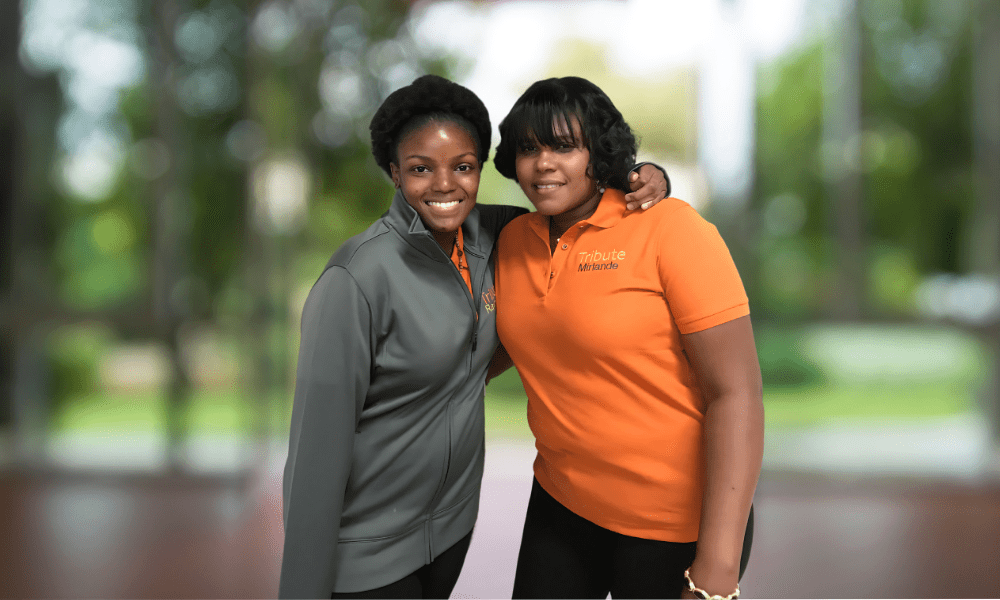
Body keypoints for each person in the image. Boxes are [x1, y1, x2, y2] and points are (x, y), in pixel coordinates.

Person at [278, 74, 669, 599]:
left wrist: (648, 176)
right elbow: (313, 461)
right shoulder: (356, 279)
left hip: (449, 534)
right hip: (367, 546)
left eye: (462, 167)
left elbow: (578, 206)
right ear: (394, 172)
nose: (444, 186)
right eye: (420, 169)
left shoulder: (501, 238)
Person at [493, 76, 764, 599]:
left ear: (601, 152)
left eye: (565, 146)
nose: (544, 163)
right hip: (561, 504)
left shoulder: (671, 230)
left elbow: (738, 395)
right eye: (529, 148)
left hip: (674, 523)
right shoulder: (511, 242)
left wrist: (718, 564)